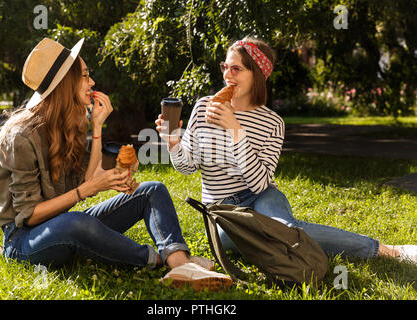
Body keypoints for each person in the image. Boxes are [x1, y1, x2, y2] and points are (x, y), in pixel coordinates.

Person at [0, 37, 233, 292]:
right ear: (64, 84)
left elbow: (86, 179)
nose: (91, 82)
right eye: (84, 76)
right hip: (25, 240)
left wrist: (97, 127)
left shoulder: (70, 122)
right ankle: (158, 259)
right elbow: (29, 216)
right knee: (76, 223)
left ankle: (181, 265)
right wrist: (89, 189)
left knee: (152, 189)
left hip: (63, 223)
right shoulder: (21, 136)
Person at [156, 36, 416, 264]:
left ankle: (385, 250)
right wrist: (174, 143)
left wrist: (235, 130)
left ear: (257, 74)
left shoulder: (272, 123)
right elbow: (188, 167)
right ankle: (288, 247)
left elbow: (259, 185)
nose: (227, 75)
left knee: (287, 229)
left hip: (260, 196)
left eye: (236, 69)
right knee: (232, 240)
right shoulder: (204, 108)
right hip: (222, 211)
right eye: (226, 66)